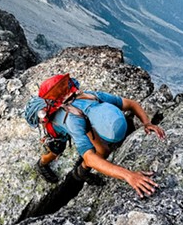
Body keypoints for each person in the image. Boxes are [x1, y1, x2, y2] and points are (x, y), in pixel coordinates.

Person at [25, 76, 166, 198]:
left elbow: (131, 104)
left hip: (85, 120)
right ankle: (42, 163)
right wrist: (128, 175)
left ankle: (80, 172)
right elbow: (90, 157)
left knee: (103, 151)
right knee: (56, 151)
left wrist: (147, 123)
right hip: (63, 125)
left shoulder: (93, 97)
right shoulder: (73, 121)